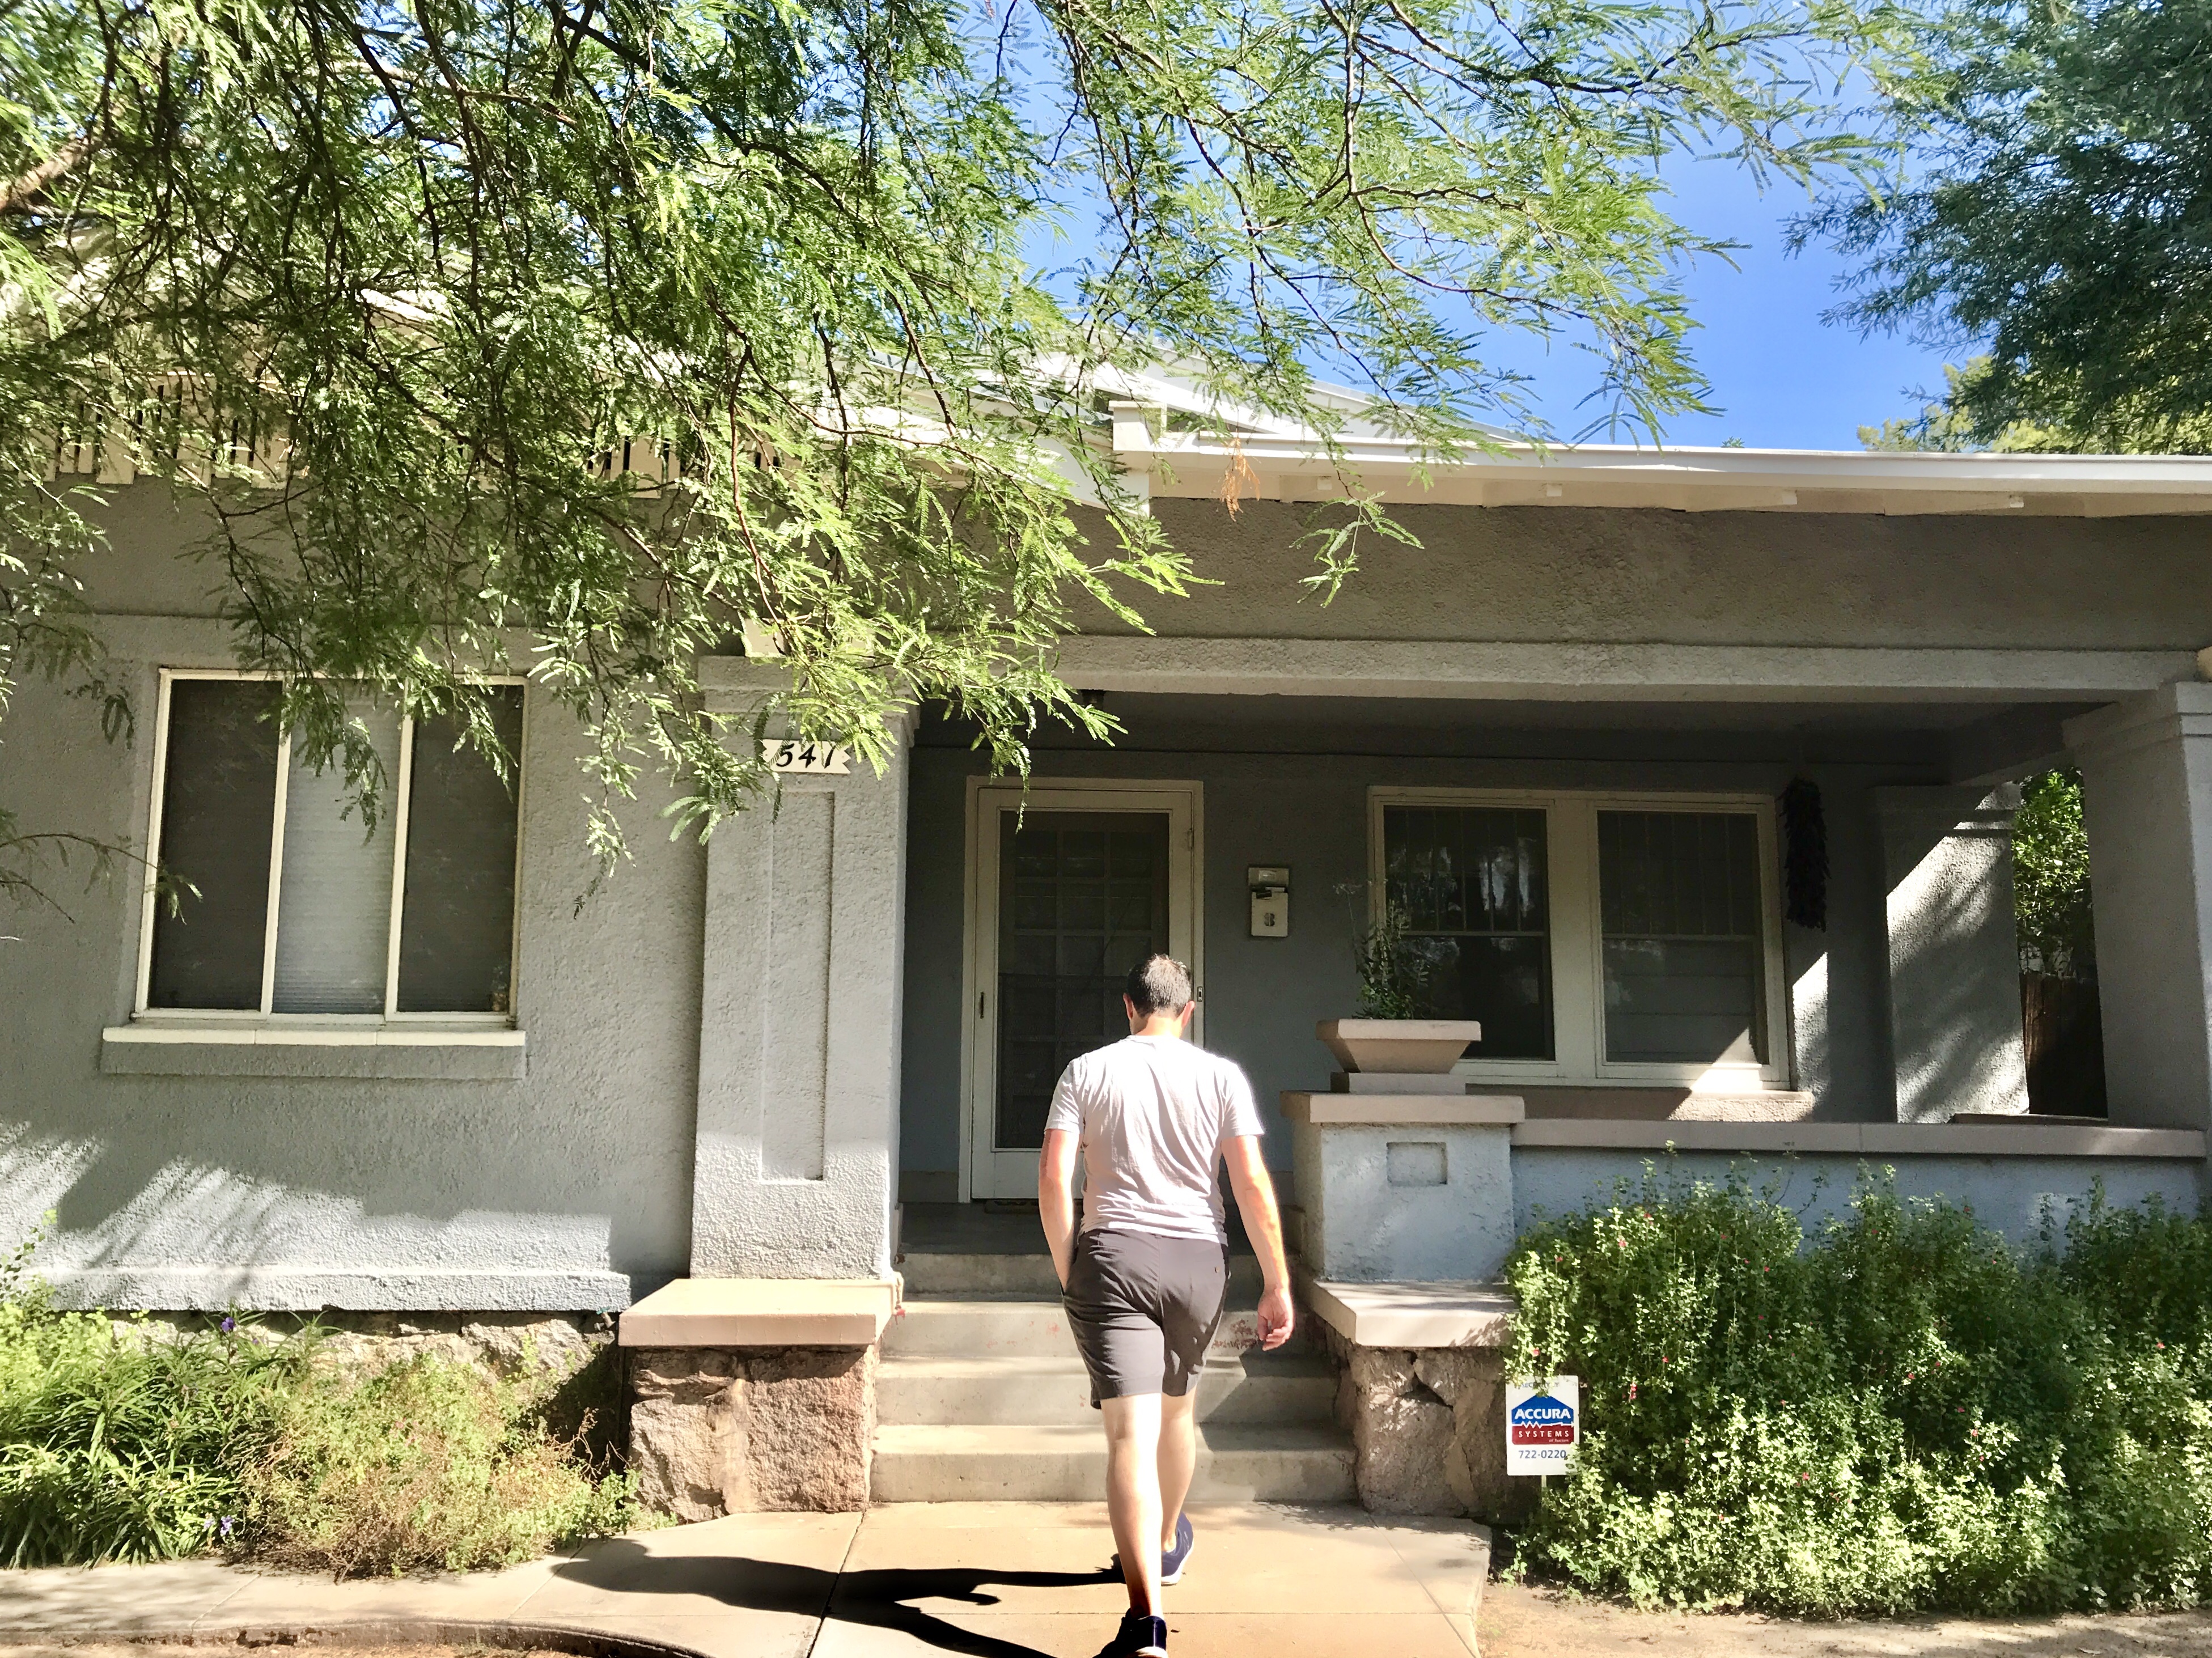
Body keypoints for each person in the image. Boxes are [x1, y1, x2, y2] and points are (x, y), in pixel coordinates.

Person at [1038, 953, 1296, 1658]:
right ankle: (1164, 1541)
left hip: (1111, 1256)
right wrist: (1276, 1282)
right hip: (1196, 1263)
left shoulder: (1086, 1071)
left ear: (1128, 1008)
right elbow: (1248, 1184)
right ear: (1187, 1012)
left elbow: (1054, 1179)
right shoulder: (1221, 1077)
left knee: (1127, 1437)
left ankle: (1145, 1623)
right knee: (1177, 1413)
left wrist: (1072, 1268)